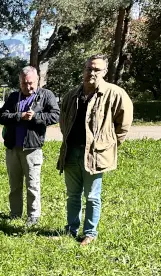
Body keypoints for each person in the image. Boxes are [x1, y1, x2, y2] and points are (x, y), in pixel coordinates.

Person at [57, 54, 133, 245]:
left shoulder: (115, 94)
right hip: (71, 151)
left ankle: (90, 233)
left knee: (92, 196)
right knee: (73, 195)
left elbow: (123, 126)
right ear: (83, 70)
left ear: (105, 72)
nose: (91, 72)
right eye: (88, 68)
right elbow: (63, 121)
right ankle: (71, 229)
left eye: (96, 69)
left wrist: (108, 145)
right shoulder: (72, 94)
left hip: (94, 154)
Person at [0, 66, 60, 227]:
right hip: (13, 148)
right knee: (14, 184)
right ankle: (15, 213)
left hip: (32, 148)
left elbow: (55, 115)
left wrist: (36, 117)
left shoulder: (46, 95)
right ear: (20, 82)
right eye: (24, 83)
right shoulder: (13, 97)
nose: (28, 86)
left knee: (32, 184)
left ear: (37, 81)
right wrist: (20, 116)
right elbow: (2, 116)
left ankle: (33, 216)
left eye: (31, 83)